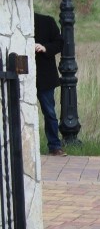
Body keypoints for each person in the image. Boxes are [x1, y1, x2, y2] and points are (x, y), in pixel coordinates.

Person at [33, 13, 66, 156]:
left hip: (44, 76)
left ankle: (54, 146)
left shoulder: (46, 21)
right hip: (21, 75)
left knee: (49, 112)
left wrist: (44, 47)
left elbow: (59, 43)